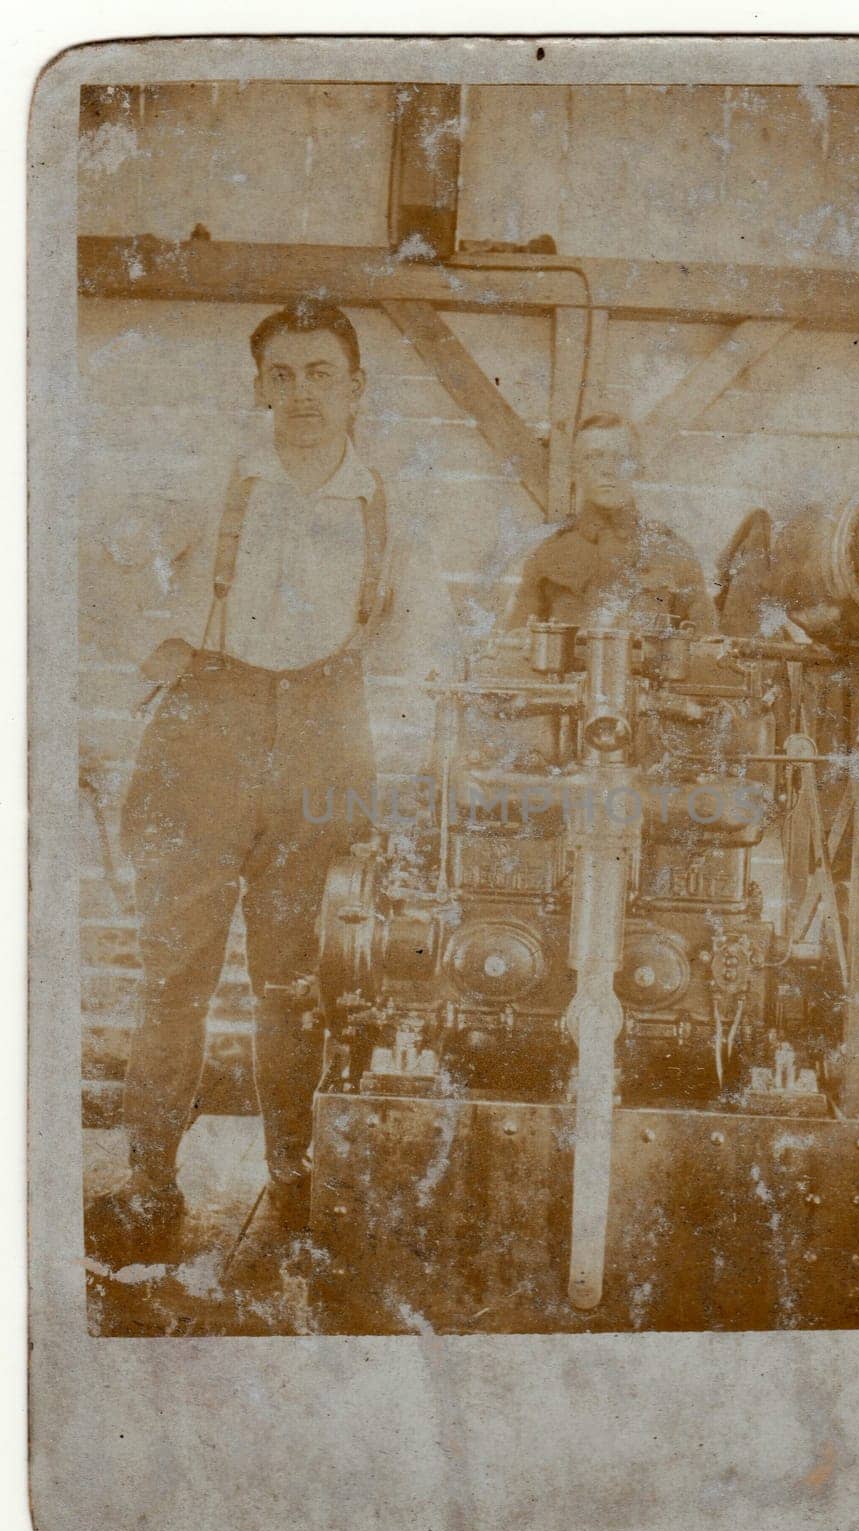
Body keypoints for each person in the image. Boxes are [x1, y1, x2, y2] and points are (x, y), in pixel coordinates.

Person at [92, 297, 453, 1247]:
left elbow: (422, 643)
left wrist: (398, 749)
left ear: (356, 388)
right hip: (203, 738)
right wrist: (150, 646)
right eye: (282, 375)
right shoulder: (210, 484)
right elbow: (96, 567)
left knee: (301, 984)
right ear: (259, 387)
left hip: (327, 744)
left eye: (321, 374)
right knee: (176, 978)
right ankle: (148, 1181)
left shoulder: (389, 508)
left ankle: (295, 1183)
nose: (301, 394)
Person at [505, 413, 718, 631]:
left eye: (620, 458)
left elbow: (706, 649)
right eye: (593, 457)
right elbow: (514, 649)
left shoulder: (673, 553)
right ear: (575, 471)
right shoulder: (549, 555)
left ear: (638, 468)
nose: (607, 469)